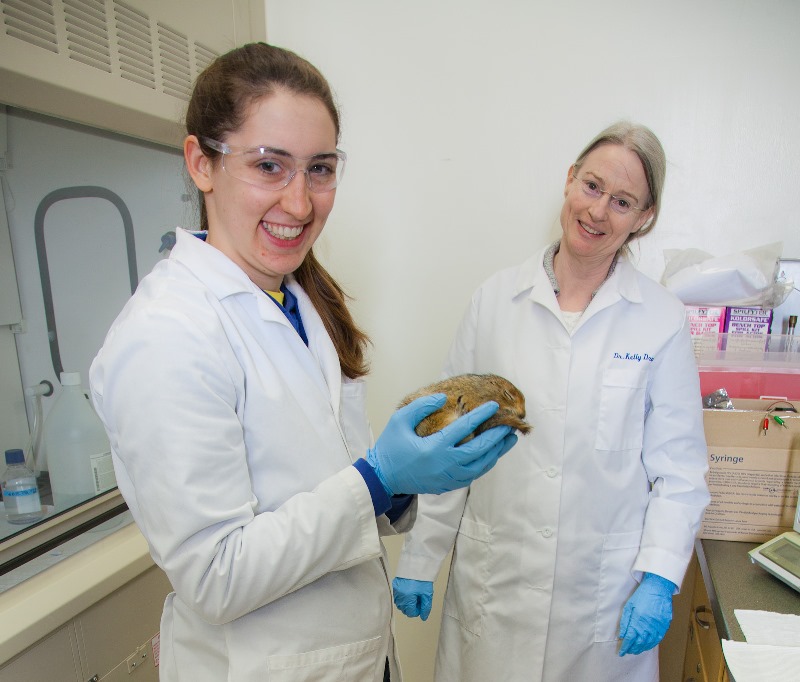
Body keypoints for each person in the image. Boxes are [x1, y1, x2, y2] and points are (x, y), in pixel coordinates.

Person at [89, 42, 517, 682]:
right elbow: (216, 576)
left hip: (354, 657)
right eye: (270, 166)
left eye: (320, 169)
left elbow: (314, 479)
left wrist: (405, 479)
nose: (299, 202)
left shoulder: (295, 298)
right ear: (201, 162)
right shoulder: (165, 335)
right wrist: (376, 477)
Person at [392, 121, 711, 681]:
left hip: (601, 604)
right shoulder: (495, 301)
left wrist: (659, 579)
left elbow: (679, 473)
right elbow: (449, 441)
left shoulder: (660, 320)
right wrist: (421, 557)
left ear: (644, 218)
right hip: (498, 594)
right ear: (569, 181)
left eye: (622, 201)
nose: (598, 211)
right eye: (592, 187)